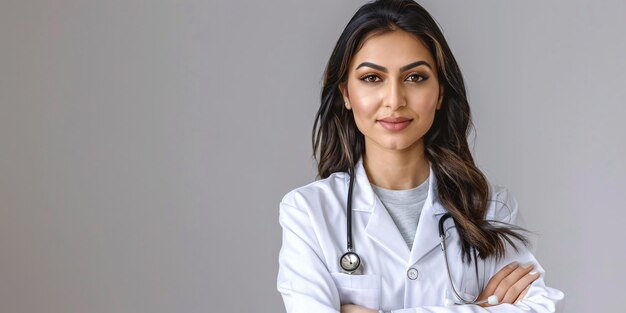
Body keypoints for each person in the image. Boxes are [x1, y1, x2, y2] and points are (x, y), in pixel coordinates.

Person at [276, 0, 564, 312]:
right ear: (346, 93)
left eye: (415, 77)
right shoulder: (308, 212)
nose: (395, 100)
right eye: (372, 78)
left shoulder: (491, 207)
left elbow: (544, 307)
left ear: (440, 91)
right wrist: (481, 309)